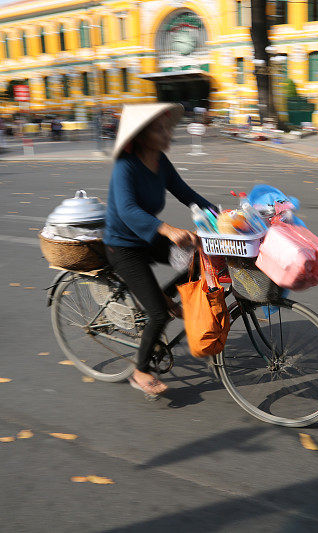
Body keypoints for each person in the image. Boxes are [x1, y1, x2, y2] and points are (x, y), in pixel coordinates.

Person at [104, 103, 216, 397]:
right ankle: (140, 371)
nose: (168, 133)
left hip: (149, 238)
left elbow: (186, 194)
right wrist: (168, 229)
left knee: (198, 258)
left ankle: (164, 294)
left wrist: (222, 216)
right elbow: (127, 210)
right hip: (123, 247)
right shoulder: (125, 167)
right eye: (159, 128)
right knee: (158, 315)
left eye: (167, 127)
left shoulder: (161, 161)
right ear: (140, 135)